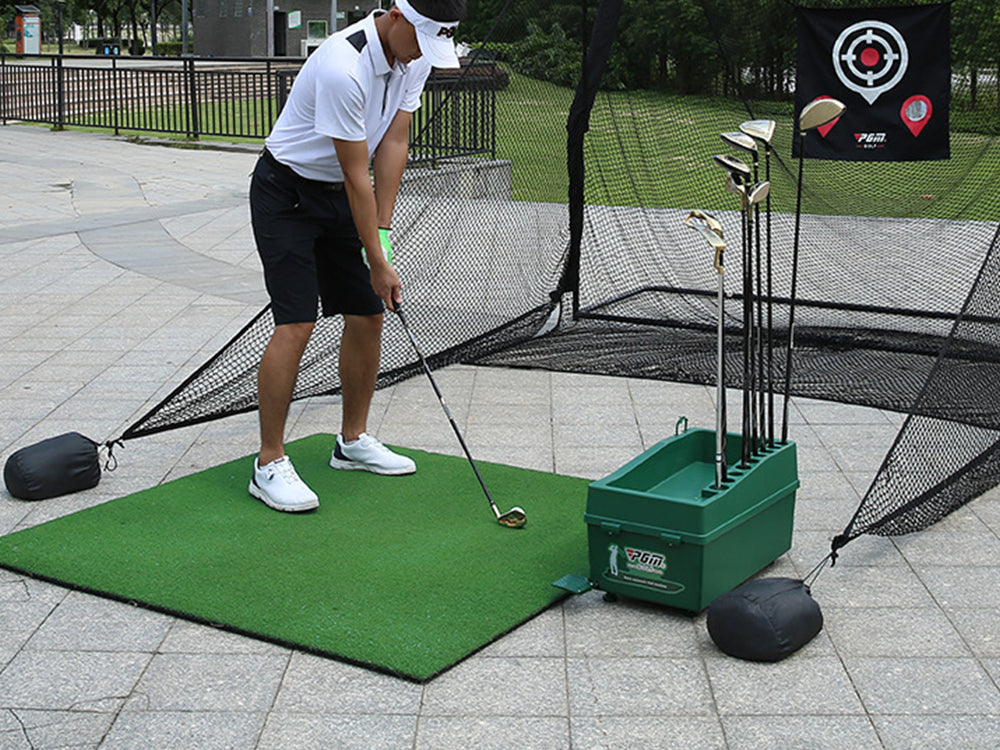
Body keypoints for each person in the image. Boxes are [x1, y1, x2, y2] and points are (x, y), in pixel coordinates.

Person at [248, 0, 466, 512]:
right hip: (288, 194)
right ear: (397, 15)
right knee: (296, 323)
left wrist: (383, 239)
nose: (423, 56)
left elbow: (394, 142)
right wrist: (377, 257)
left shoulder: (412, 58)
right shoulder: (342, 64)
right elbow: (354, 172)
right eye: (421, 41)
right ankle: (269, 463)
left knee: (369, 315)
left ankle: (351, 441)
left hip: (341, 194)